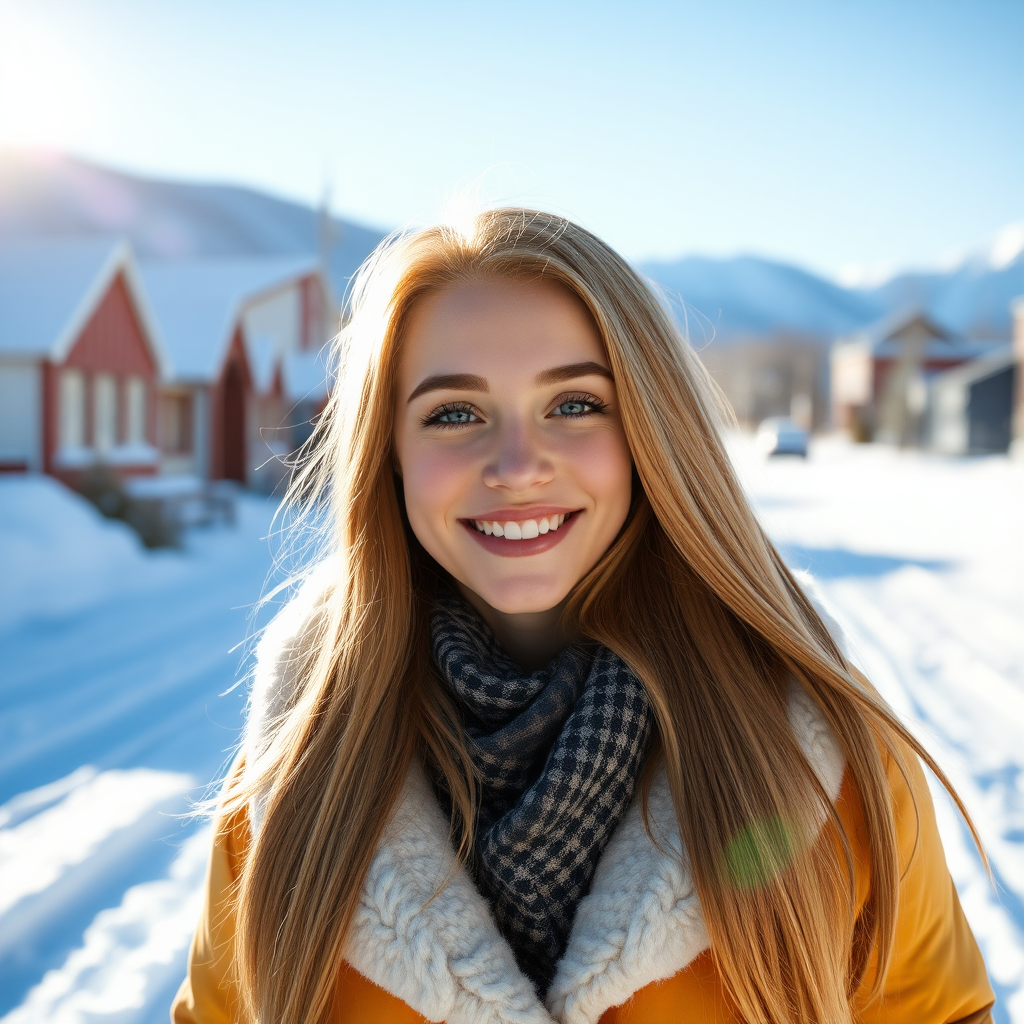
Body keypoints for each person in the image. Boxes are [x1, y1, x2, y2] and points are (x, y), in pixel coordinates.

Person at [172, 208, 994, 1024]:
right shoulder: (301, 764)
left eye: (574, 404)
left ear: (649, 428)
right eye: (454, 413)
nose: (519, 467)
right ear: (388, 452)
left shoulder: (819, 748)